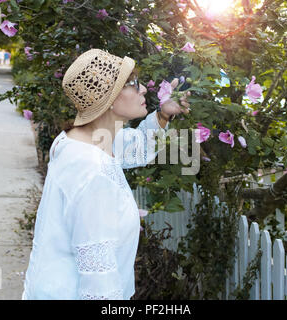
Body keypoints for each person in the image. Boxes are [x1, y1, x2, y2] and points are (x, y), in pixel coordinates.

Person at [22, 48, 191, 300]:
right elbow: (98, 277)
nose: (144, 88)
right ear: (109, 97)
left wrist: (164, 113)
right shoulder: (91, 169)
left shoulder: (80, 139)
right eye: (133, 84)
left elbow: (140, 147)